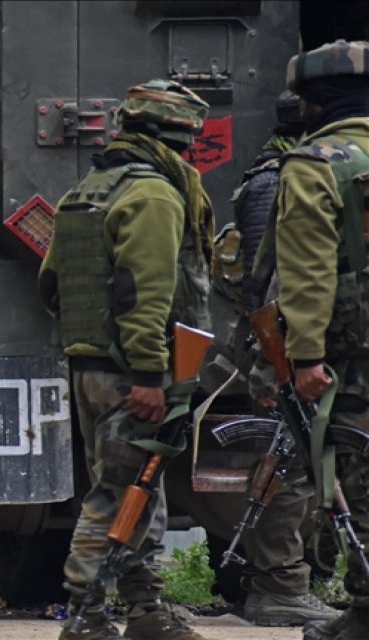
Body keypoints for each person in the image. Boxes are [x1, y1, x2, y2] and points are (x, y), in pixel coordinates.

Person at [39, 79, 215, 640]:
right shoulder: (154, 195)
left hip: (91, 366)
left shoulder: (87, 190)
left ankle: (145, 609)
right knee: (118, 491)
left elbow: (50, 285)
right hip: (131, 373)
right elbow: (144, 292)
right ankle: (85, 614)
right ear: (175, 137)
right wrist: (148, 374)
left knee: (140, 485)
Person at [252, 39, 367, 640]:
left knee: (358, 474)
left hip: (352, 352)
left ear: (313, 101)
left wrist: (306, 357)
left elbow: (308, 271)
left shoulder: (316, 163)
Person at [210, 91, 339, 628]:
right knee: (292, 464)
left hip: (287, 340)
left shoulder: (273, 174)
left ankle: (288, 578)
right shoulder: (284, 179)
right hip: (286, 343)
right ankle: (280, 584)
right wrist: (288, 358)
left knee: (304, 462)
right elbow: (279, 281)